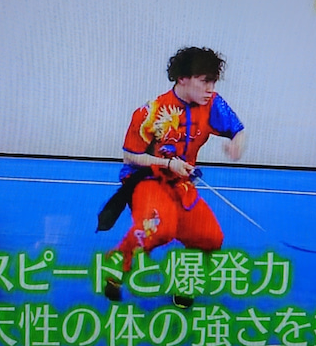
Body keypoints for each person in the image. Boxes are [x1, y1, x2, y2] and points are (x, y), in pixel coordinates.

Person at [105, 47, 246, 307]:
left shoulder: (212, 104)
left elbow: (238, 130)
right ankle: (116, 264)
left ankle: (186, 279)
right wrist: (167, 163)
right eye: (204, 81)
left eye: (213, 82)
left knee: (211, 237)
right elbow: (130, 156)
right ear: (182, 78)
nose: (210, 89)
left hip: (181, 183)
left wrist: (237, 144)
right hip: (148, 179)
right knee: (159, 228)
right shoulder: (150, 112)